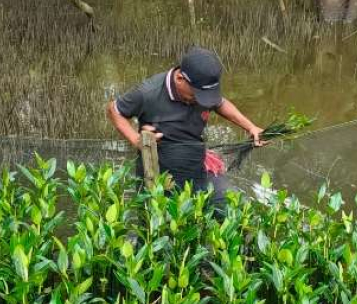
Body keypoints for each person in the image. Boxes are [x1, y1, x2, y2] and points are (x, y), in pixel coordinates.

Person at [106, 47, 265, 211]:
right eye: (197, 95)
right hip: (160, 174)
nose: (201, 100)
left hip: (198, 168)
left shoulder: (202, 89)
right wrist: (135, 139)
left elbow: (220, 103)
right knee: (159, 227)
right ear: (180, 78)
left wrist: (250, 127)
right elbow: (114, 110)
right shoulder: (147, 93)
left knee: (237, 210)